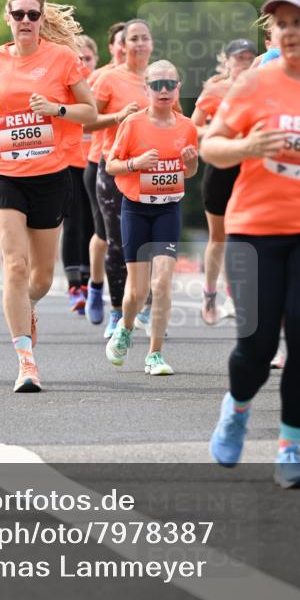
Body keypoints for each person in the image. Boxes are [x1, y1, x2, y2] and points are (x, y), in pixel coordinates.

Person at [203, 0, 300, 488]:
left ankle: (290, 450)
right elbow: (211, 145)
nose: (288, 31)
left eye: (299, 22)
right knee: (256, 347)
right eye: (280, 23)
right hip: (254, 229)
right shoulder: (256, 83)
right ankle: (236, 409)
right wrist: (248, 144)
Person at [0, 0, 96, 392]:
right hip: (3, 173)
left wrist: (56, 109)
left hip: (50, 175)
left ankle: (28, 306)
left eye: (32, 15)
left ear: (41, 19)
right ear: (7, 18)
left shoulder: (62, 59)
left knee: (39, 277)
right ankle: (26, 362)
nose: (24, 21)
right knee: (14, 265)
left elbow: (89, 112)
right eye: (17, 14)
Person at [105, 60, 198, 375]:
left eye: (169, 84)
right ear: (146, 89)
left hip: (168, 208)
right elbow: (111, 166)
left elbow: (191, 171)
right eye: (156, 85)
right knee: (137, 290)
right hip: (136, 208)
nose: (163, 91)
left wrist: (190, 162)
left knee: (162, 284)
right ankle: (126, 328)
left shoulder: (187, 127)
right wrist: (137, 163)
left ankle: (155, 354)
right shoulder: (132, 124)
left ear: (177, 89)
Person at [92, 19, 153, 337]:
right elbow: (87, 123)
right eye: (133, 39)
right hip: (114, 168)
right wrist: (118, 117)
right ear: (123, 45)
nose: (140, 44)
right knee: (117, 242)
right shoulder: (108, 79)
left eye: (145, 38)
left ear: (152, 44)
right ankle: (116, 311)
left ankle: (145, 308)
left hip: (154, 170)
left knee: (151, 242)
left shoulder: (160, 77)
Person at [192, 39, 257, 324]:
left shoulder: (262, 87)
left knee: (244, 235)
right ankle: (209, 294)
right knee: (218, 236)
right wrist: (214, 136)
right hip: (219, 169)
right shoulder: (215, 89)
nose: (244, 62)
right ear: (227, 61)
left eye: (249, 57)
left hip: (250, 171)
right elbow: (193, 125)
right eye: (238, 58)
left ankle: (236, 294)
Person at [84, 21, 126, 324]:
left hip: (139, 169)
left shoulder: (154, 78)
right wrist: (118, 117)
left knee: (134, 237)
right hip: (101, 163)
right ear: (112, 47)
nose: (127, 47)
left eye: (135, 40)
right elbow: (87, 120)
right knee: (105, 236)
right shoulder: (101, 78)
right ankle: (97, 288)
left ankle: (140, 303)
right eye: (122, 42)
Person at [62, 34, 98, 314]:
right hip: (71, 161)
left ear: (95, 60)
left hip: (97, 161)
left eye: (87, 59)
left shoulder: (102, 84)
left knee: (94, 224)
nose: (83, 63)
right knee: (73, 222)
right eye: (79, 59)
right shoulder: (67, 85)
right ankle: (75, 284)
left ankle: (90, 279)